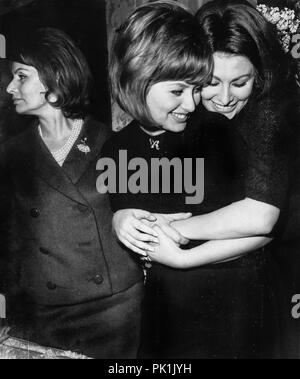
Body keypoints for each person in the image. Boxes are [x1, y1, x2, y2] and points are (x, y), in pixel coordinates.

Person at [111, 0, 296, 358]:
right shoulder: (187, 119)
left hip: (268, 283)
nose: (223, 99)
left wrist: (175, 237)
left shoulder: (272, 114)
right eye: (208, 83)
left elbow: (261, 219)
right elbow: (137, 175)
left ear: (261, 74)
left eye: (240, 82)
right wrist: (122, 216)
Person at [0, 27, 143, 359]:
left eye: (21, 76)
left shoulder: (114, 145)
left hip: (113, 313)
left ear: (54, 79)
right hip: (41, 315)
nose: (10, 88)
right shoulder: (10, 156)